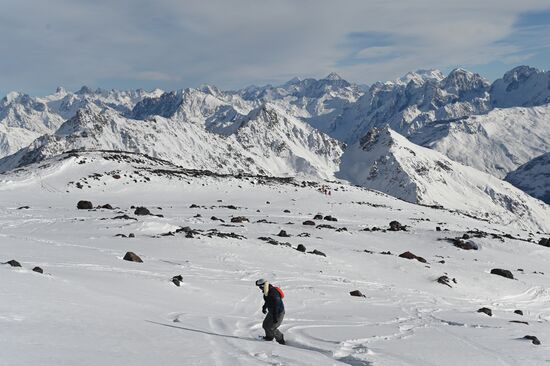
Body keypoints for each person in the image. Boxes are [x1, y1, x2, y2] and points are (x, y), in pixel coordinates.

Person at [255, 278, 285, 345]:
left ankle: (281, 340)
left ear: (263, 286)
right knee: (265, 325)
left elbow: (276, 306)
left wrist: (275, 317)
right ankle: (269, 338)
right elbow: (268, 301)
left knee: (272, 328)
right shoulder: (267, 291)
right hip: (272, 311)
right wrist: (264, 307)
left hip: (278, 312)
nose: (259, 288)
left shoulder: (273, 293)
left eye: (260, 287)